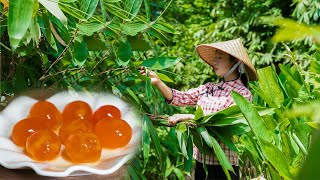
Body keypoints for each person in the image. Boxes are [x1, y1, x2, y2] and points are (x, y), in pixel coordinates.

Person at [140, 38, 258, 179]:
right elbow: (181, 98)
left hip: (224, 165)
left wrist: (187, 117)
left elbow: (222, 122)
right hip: (201, 162)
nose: (215, 62)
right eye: (215, 58)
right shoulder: (209, 88)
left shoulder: (242, 94)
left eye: (220, 58)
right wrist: (158, 81)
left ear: (235, 62)